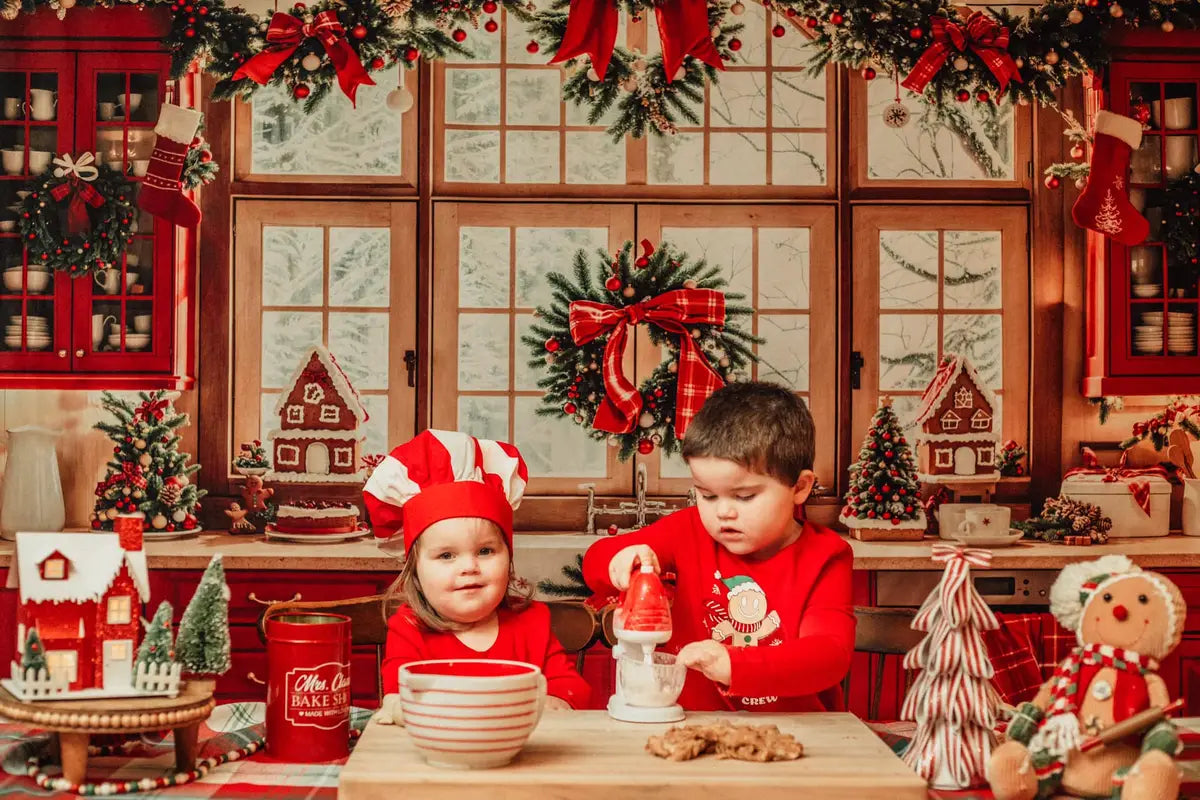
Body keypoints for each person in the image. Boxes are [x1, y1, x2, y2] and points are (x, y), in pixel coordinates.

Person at [583, 381, 854, 712]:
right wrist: (621, 561)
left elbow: (828, 655)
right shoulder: (687, 531)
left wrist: (735, 665)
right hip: (694, 732)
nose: (722, 511)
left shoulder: (825, 557)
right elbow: (595, 561)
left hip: (795, 740)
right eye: (707, 494)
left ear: (799, 487)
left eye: (744, 496)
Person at [365, 429, 591, 715]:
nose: (469, 567)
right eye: (446, 555)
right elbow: (402, 702)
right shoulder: (410, 630)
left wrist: (557, 702)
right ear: (415, 570)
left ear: (508, 556)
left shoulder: (533, 622)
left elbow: (572, 689)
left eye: (485, 551)